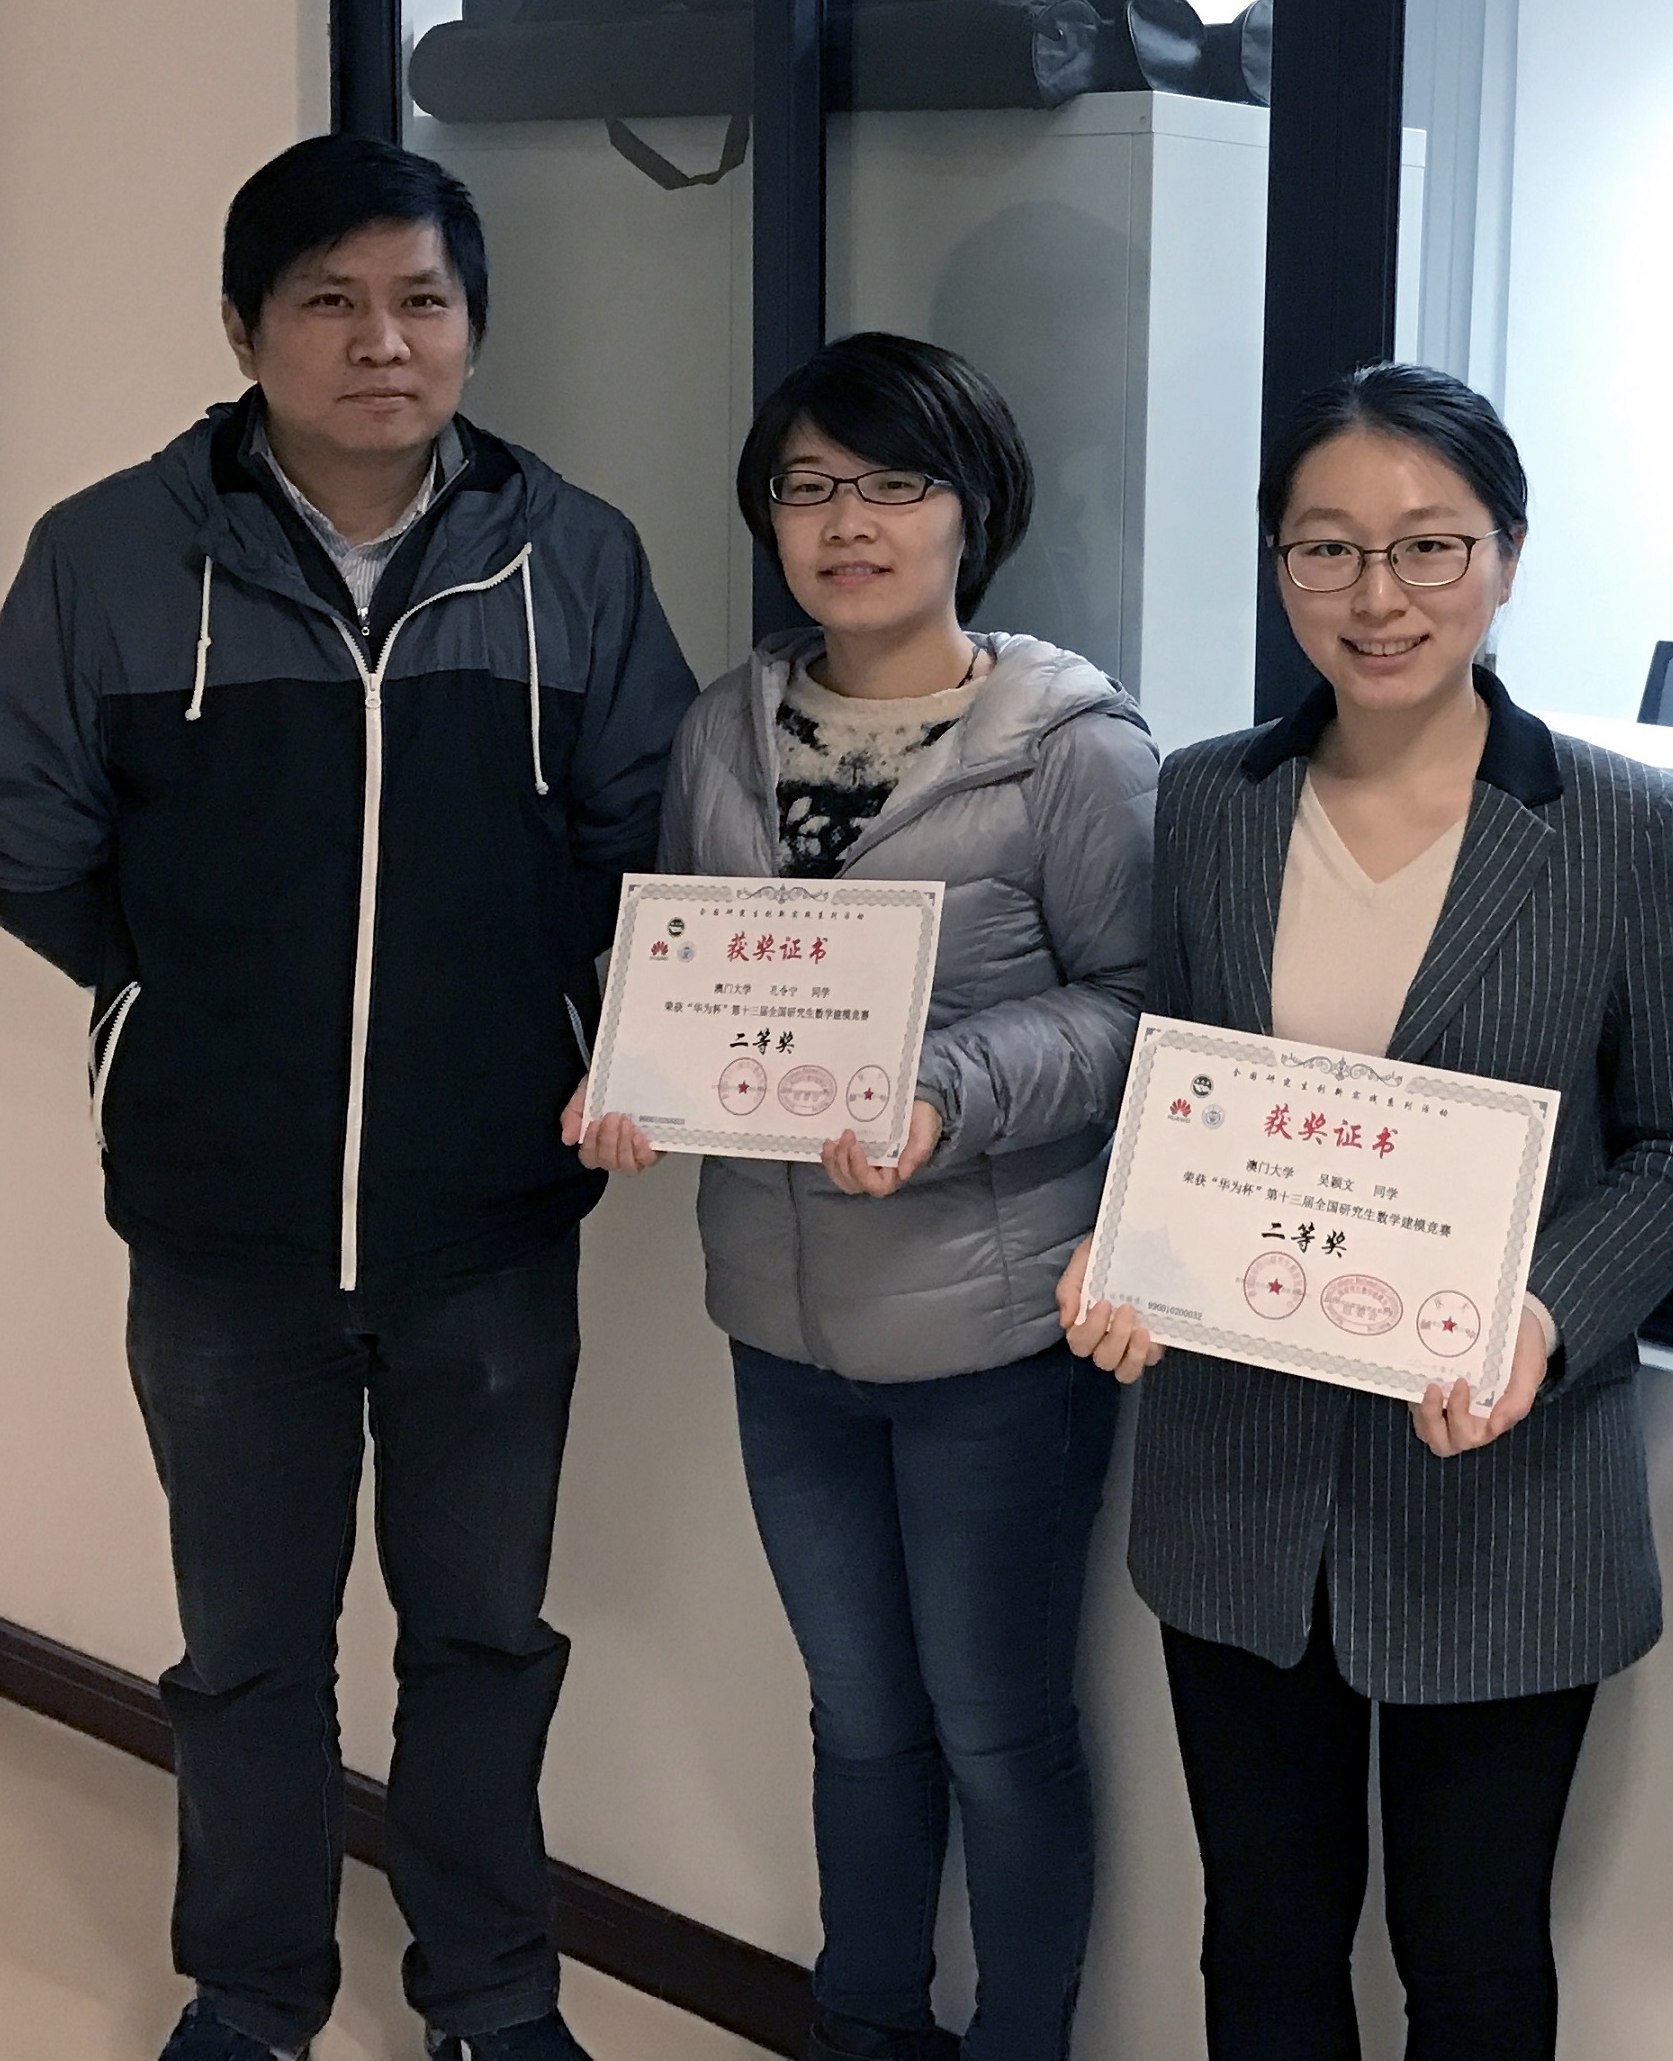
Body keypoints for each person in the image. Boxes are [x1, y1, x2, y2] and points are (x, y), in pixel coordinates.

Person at [0, 132, 699, 2061]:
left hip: (487, 1220)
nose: (384, 342)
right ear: (244, 329)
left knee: (483, 1642)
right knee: (246, 1653)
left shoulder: (573, 557)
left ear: (470, 325)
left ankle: (492, 1994)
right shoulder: (107, 557)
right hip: (222, 1226)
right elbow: (23, 838)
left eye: (421, 301)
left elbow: (640, 849)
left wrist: (547, 1018)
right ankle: (252, 1989)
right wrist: (182, 994)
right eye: (331, 301)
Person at [1060, 363, 1673, 2061]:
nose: (1378, 596)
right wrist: (1124, 1245)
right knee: (1262, 1940)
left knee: (1475, 1958)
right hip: (1239, 1478)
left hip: (1500, 1489)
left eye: (1429, 545)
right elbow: (1175, 1091)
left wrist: (1542, 1316)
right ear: (1278, 562)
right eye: (1328, 547)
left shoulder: (1614, 823)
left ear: (1505, 556)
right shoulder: (1208, 802)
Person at [575, 332, 1156, 2061]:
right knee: (856, 1717)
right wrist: (632, 1069)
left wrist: (943, 1093)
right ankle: (863, 2023)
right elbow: (694, 970)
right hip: (780, 1324)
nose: (848, 523)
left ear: (973, 508)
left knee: (996, 1733)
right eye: (808, 487)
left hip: (992, 1334)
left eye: (893, 483)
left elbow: (1141, 1009)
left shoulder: (1066, 744)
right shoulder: (721, 724)